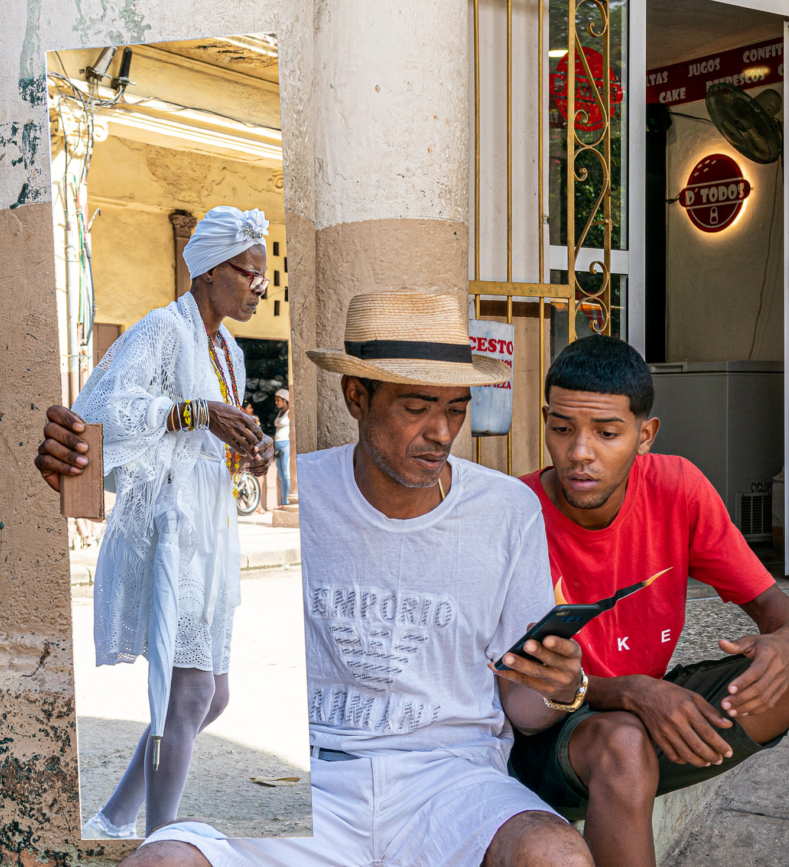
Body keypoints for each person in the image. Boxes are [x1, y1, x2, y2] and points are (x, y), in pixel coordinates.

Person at [46, 291, 594, 866]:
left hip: (454, 781)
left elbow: (523, 708)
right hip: (313, 786)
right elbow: (141, 481)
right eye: (416, 408)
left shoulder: (506, 510)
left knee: (556, 854)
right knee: (163, 861)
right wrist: (75, 463)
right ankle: (125, 811)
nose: (441, 431)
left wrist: (560, 689)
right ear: (355, 396)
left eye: (456, 409)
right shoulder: (304, 489)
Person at [508, 335, 789, 867]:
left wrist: (787, 643)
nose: (580, 453)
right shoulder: (513, 514)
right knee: (623, 744)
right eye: (562, 428)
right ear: (545, 420)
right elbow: (518, 694)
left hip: (646, 713)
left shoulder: (677, 488)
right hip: (555, 737)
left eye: (607, 433)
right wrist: (633, 692)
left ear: (646, 435)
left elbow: (778, 607)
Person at [34, 206, 275, 838]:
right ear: (209, 270)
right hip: (167, 524)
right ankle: (161, 838)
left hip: (210, 525)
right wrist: (195, 412)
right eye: (250, 274)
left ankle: (116, 814)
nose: (259, 287)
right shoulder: (161, 330)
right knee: (191, 692)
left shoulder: (230, 350)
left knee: (209, 695)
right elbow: (100, 407)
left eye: (262, 277)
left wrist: (248, 449)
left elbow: (215, 434)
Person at [272, 387, 291, 505]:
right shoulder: (280, 413)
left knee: (287, 473)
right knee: (281, 475)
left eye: (278, 400)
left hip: (286, 444)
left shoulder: (290, 412)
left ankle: (288, 500)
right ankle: (284, 501)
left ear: (285, 400)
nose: (276, 402)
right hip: (278, 445)